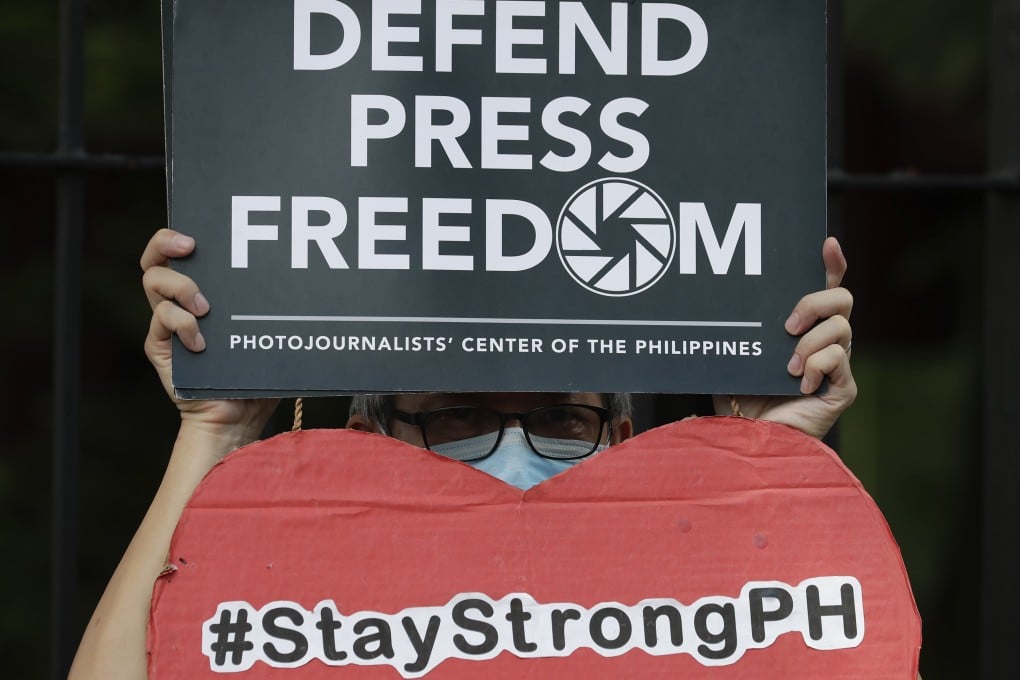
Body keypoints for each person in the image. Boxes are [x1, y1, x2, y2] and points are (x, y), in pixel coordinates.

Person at [68, 228, 857, 678]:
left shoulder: (685, 622)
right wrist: (217, 431)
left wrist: (772, 457)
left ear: (616, 440)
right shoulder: (299, 620)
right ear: (368, 438)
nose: (513, 454)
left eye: (560, 418)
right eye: (457, 418)